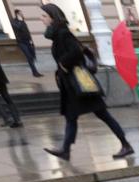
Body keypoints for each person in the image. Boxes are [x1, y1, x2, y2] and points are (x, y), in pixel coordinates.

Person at [41, 3, 133, 161]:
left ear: (52, 17)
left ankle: (125, 144)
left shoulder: (63, 33)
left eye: (44, 16)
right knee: (71, 117)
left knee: (103, 114)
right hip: (72, 85)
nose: (41, 19)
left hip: (79, 84)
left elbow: (75, 52)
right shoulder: (57, 34)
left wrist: (63, 65)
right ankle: (65, 149)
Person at [10, 9, 43, 77]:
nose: (22, 14)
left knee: (33, 55)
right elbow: (18, 28)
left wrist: (31, 40)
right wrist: (20, 21)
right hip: (21, 42)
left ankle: (34, 71)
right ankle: (35, 72)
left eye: (21, 13)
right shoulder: (14, 21)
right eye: (20, 13)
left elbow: (26, 31)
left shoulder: (23, 21)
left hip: (28, 41)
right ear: (17, 14)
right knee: (29, 56)